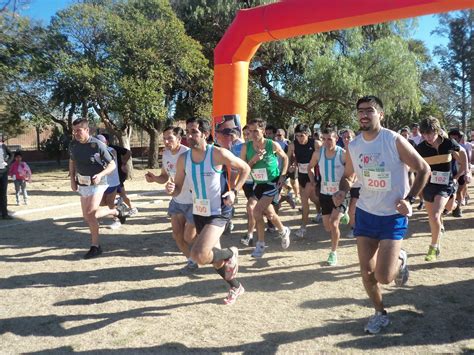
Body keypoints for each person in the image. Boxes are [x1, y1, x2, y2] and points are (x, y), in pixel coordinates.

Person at [333, 95, 430, 334]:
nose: (364, 114)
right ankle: (380, 313)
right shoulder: (354, 145)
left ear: (381, 115)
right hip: (366, 213)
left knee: (385, 277)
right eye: (360, 111)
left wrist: (409, 200)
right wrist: (342, 190)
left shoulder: (393, 140)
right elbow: (348, 175)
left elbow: (423, 169)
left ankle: (400, 259)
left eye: (370, 110)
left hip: (392, 216)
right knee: (366, 273)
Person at [166, 117, 250, 305]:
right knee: (215, 260)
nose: (189, 135)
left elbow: (245, 168)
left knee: (199, 255)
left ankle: (231, 253)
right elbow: (178, 187)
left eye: (194, 132)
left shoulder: (218, 154)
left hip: (219, 211)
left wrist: (234, 191)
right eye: (187, 132)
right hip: (199, 211)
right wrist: (172, 189)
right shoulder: (183, 159)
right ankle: (236, 286)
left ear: (205, 134)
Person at [69, 118, 130, 259]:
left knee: (90, 214)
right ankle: (117, 210)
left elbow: (112, 165)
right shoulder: (73, 145)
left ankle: (95, 246)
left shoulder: (97, 145)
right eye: (74, 131)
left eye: (78, 130)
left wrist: (100, 174)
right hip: (83, 183)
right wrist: (72, 179)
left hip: (98, 182)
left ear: (86, 130)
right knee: (87, 216)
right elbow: (72, 161)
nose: (76, 134)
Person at [145, 126, 198, 274]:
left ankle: (214, 250)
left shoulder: (188, 154)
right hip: (177, 200)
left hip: (193, 202)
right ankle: (192, 261)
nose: (166, 142)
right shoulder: (166, 154)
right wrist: (155, 179)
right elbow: (164, 177)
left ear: (180, 139)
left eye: (170, 138)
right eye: (164, 139)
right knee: (177, 235)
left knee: (189, 237)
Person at [240, 118, 291, 258]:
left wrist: (283, 175)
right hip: (258, 184)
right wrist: (253, 160)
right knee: (271, 214)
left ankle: (260, 244)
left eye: (256, 131)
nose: (253, 134)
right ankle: (283, 230)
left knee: (256, 212)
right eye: (250, 131)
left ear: (263, 131)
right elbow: (243, 168)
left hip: (272, 182)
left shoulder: (271, 144)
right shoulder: (246, 147)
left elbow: (285, 158)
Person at [416, 118, 465, 261]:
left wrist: (464, 171)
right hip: (428, 185)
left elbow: (462, 153)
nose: (427, 137)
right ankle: (436, 246)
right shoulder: (421, 148)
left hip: (445, 184)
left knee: (438, 214)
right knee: (433, 217)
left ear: (437, 131)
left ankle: (433, 246)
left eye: (430, 133)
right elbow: (413, 165)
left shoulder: (448, 143)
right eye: (424, 134)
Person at [308, 126, 346, 265]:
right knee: (327, 227)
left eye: (329, 139)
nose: (326, 142)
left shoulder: (343, 154)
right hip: (324, 193)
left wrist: (345, 189)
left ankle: (333, 253)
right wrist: (313, 181)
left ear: (336, 139)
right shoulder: (318, 153)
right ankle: (343, 214)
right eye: (324, 139)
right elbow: (309, 167)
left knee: (333, 223)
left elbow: (351, 172)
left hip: (339, 195)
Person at [286, 123, 321, 239]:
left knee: (304, 199)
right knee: (313, 198)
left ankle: (303, 227)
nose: (299, 138)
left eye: (302, 135)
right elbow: (288, 158)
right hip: (301, 174)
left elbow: (324, 158)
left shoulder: (315, 144)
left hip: (313, 174)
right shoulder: (292, 145)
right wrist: (291, 165)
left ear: (308, 134)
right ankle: (320, 211)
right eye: (297, 136)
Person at [103, 134, 137, 215]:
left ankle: (132, 208)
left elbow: (128, 152)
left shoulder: (113, 148)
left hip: (117, 176)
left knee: (122, 194)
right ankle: (117, 202)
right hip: (107, 178)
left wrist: (124, 163)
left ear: (106, 141)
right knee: (105, 198)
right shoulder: (99, 149)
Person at [96, 135, 124, 230]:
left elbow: (109, 159)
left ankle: (117, 220)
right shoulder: (95, 151)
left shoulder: (111, 150)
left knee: (109, 202)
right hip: (101, 182)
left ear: (106, 143)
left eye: (100, 143)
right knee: (101, 202)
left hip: (112, 182)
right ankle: (117, 201)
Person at [341, 129, 359, 238]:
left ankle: (354, 229)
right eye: (344, 137)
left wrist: (352, 180)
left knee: (352, 208)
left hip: (357, 184)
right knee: (348, 208)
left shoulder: (358, 151)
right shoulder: (341, 152)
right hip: (345, 184)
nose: (346, 139)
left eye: (349, 137)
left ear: (354, 138)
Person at [0, 139, 14, 219]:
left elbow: (11, 155)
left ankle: (4, 214)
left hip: (3, 172)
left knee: (3, 194)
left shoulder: (3, 146)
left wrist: (7, 163)